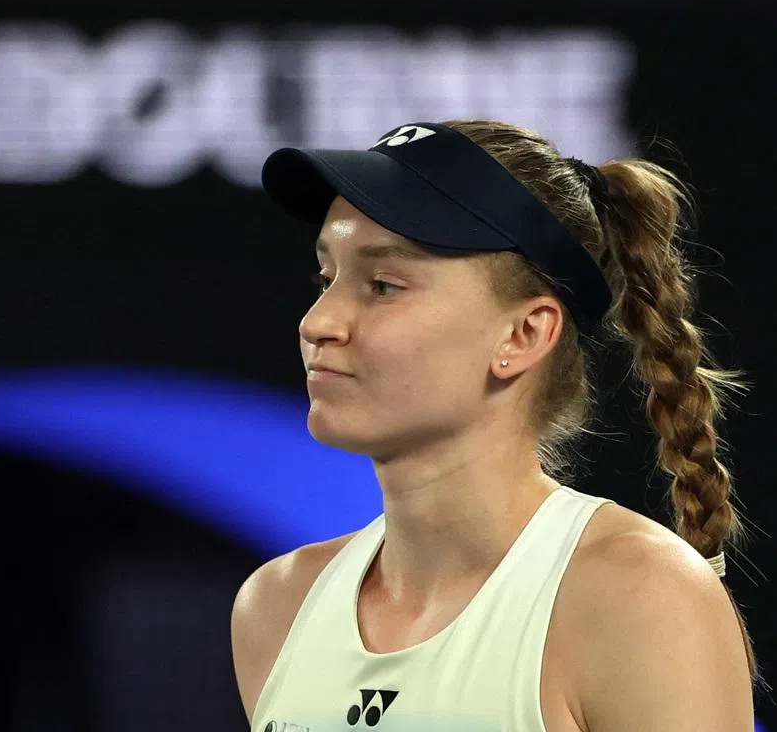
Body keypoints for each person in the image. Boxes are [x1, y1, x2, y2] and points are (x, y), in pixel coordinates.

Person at [231, 121, 759, 731]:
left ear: (522, 334)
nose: (318, 322)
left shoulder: (641, 601)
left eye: (382, 285)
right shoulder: (276, 607)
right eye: (327, 279)